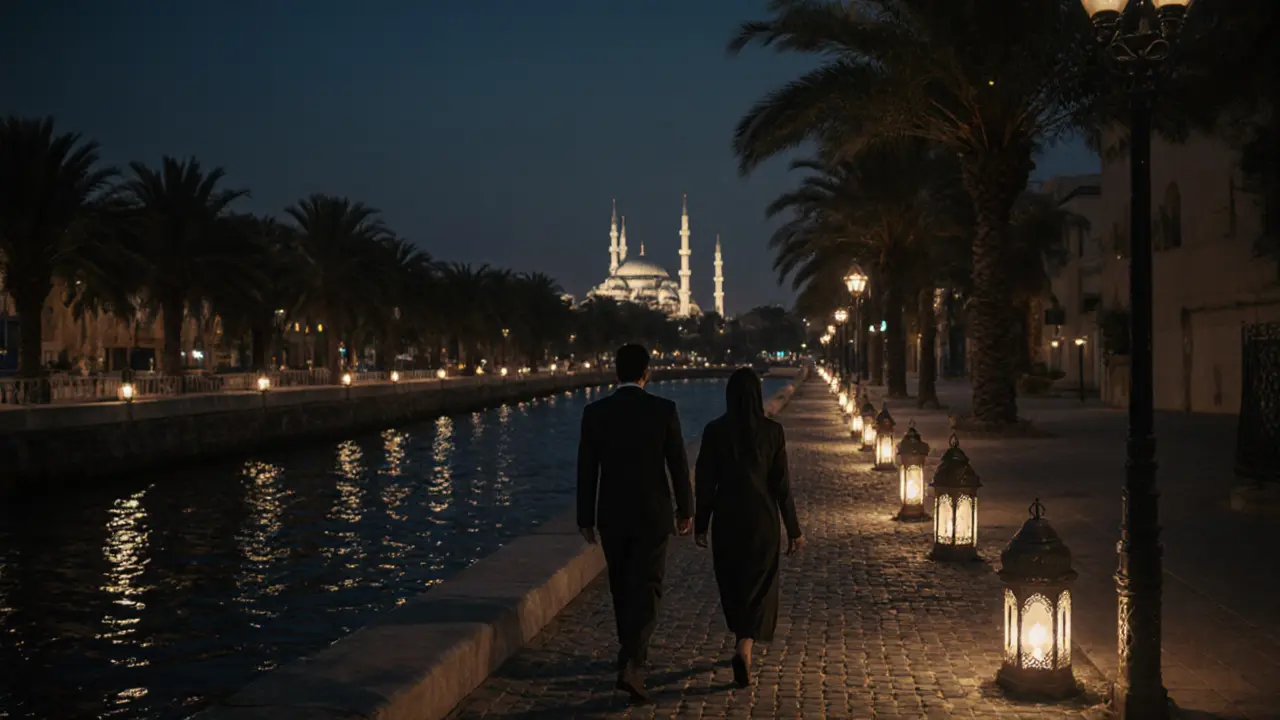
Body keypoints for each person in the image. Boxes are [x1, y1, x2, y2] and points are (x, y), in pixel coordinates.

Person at [577, 343, 693, 702]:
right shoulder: (663, 410)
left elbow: (587, 469)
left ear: (616, 373)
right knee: (648, 586)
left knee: (622, 586)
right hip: (652, 514)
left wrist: (586, 517)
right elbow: (677, 464)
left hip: (612, 514)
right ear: (647, 373)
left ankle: (629, 653)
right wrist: (686, 510)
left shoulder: (595, 412)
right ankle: (633, 661)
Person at [694, 367, 803, 687]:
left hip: (727, 520)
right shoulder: (772, 432)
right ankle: (745, 646)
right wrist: (794, 530)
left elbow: (705, 483)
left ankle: (741, 639)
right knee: (760, 586)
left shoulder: (714, 431)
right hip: (762, 522)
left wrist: (701, 523)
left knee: (732, 584)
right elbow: (782, 486)